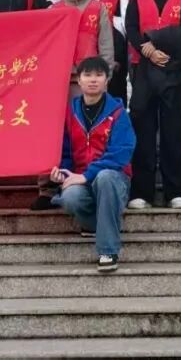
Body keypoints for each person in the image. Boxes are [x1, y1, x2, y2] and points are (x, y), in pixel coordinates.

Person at [124, 0, 181, 210]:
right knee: (143, 130)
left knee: (173, 132)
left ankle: (175, 192)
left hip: (173, 68)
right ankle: (141, 193)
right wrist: (147, 49)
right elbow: (131, 28)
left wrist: (161, 46)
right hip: (143, 69)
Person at [51, 57, 136, 272]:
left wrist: (87, 175)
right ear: (78, 80)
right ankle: (94, 223)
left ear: (107, 80)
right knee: (70, 196)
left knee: (105, 176)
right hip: (81, 178)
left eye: (99, 75)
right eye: (87, 75)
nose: (93, 80)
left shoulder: (117, 112)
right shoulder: (70, 112)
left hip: (114, 180)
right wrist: (62, 171)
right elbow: (64, 150)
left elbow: (121, 153)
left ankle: (108, 251)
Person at [55, 0, 115, 96]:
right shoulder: (55, 9)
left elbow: (106, 44)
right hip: (60, 75)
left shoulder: (98, 8)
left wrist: (105, 74)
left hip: (89, 75)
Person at [89, 0, 128, 103]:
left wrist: (116, 57)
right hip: (85, 53)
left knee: (115, 94)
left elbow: (120, 29)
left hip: (112, 52)